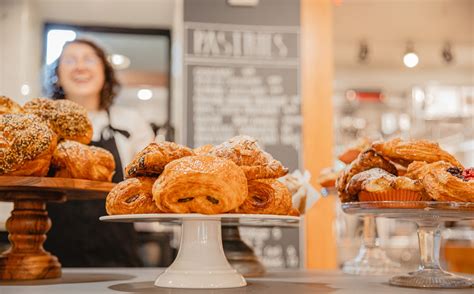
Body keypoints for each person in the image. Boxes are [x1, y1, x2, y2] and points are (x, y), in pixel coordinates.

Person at [43, 38, 154, 267]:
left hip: (118, 255)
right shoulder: (43, 125)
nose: (80, 66)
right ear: (58, 75)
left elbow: (148, 182)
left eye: (89, 59)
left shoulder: (130, 122)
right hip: (53, 256)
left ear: (105, 72)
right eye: (70, 60)